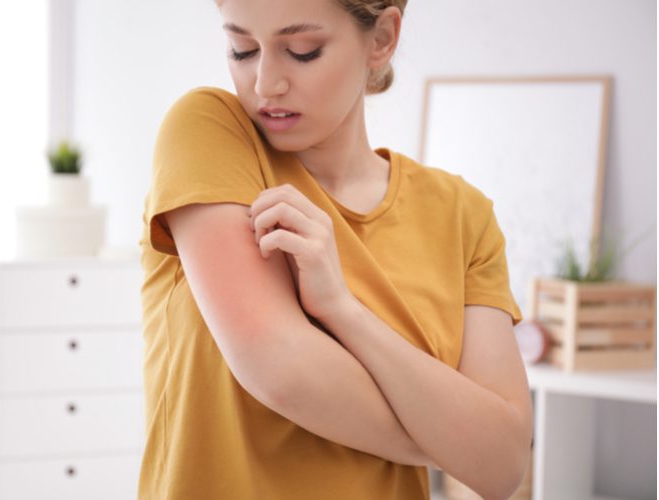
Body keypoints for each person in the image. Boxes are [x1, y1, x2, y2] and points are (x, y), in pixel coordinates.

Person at [138, 0, 533, 498]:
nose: (265, 84)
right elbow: (281, 371)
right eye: (242, 49)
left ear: (383, 38)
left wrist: (342, 310)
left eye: (302, 51)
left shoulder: (462, 215)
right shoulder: (209, 132)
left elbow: (504, 466)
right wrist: (454, 437)